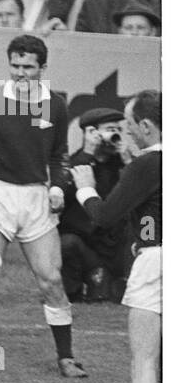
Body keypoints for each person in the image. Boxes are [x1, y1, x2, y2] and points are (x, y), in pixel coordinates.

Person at [0, 35, 85, 377]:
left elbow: (58, 153)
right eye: (16, 66)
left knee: (51, 279)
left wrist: (57, 186)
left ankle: (66, 357)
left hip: (35, 199)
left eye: (28, 67)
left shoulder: (55, 105)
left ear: (42, 68)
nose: (21, 73)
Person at [70, 91, 162, 383]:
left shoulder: (149, 162)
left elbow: (105, 216)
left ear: (145, 126)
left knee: (145, 362)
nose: (123, 132)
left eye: (128, 125)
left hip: (158, 261)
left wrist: (85, 186)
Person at [58, 108, 128, 303]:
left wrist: (127, 158)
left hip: (112, 248)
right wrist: (88, 153)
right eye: (109, 129)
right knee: (67, 243)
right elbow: (61, 194)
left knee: (108, 296)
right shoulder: (74, 163)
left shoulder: (123, 166)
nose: (115, 134)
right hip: (83, 245)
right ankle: (74, 289)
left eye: (118, 129)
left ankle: (110, 281)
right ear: (91, 132)